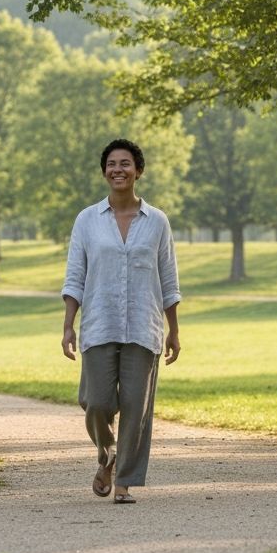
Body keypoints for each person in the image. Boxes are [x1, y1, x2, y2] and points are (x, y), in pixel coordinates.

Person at [61, 138, 181, 504]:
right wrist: (68, 325)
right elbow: (74, 275)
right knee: (96, 401)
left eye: (125, 163)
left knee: (135, 407)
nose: (118, 169)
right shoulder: (87, 220)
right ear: (104, 172)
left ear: (138, 171)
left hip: (144, 327)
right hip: (98, 324)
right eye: (112, 163)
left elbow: (169, 279)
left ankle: (125, 482)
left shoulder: (157, 221)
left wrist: (174, 329)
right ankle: (106, 451)